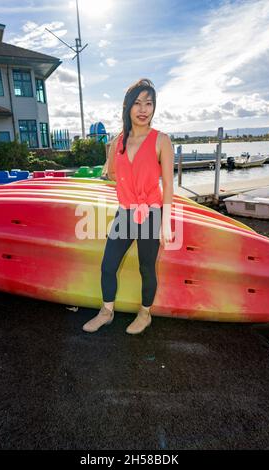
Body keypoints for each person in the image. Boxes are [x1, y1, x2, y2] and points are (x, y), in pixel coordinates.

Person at [82, 78, 174, 334]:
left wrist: (165, 224)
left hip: (151, 214)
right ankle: (106, 312)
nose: (144, 109)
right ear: (128, 107)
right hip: (125, 213)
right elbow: (110, 173)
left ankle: (145, 314)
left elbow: (168, 184)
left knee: (147, 268)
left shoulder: (161, 140)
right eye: (138, 103)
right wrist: (126, 184)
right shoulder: (117, 142)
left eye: (149, 103)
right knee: (108, 265)